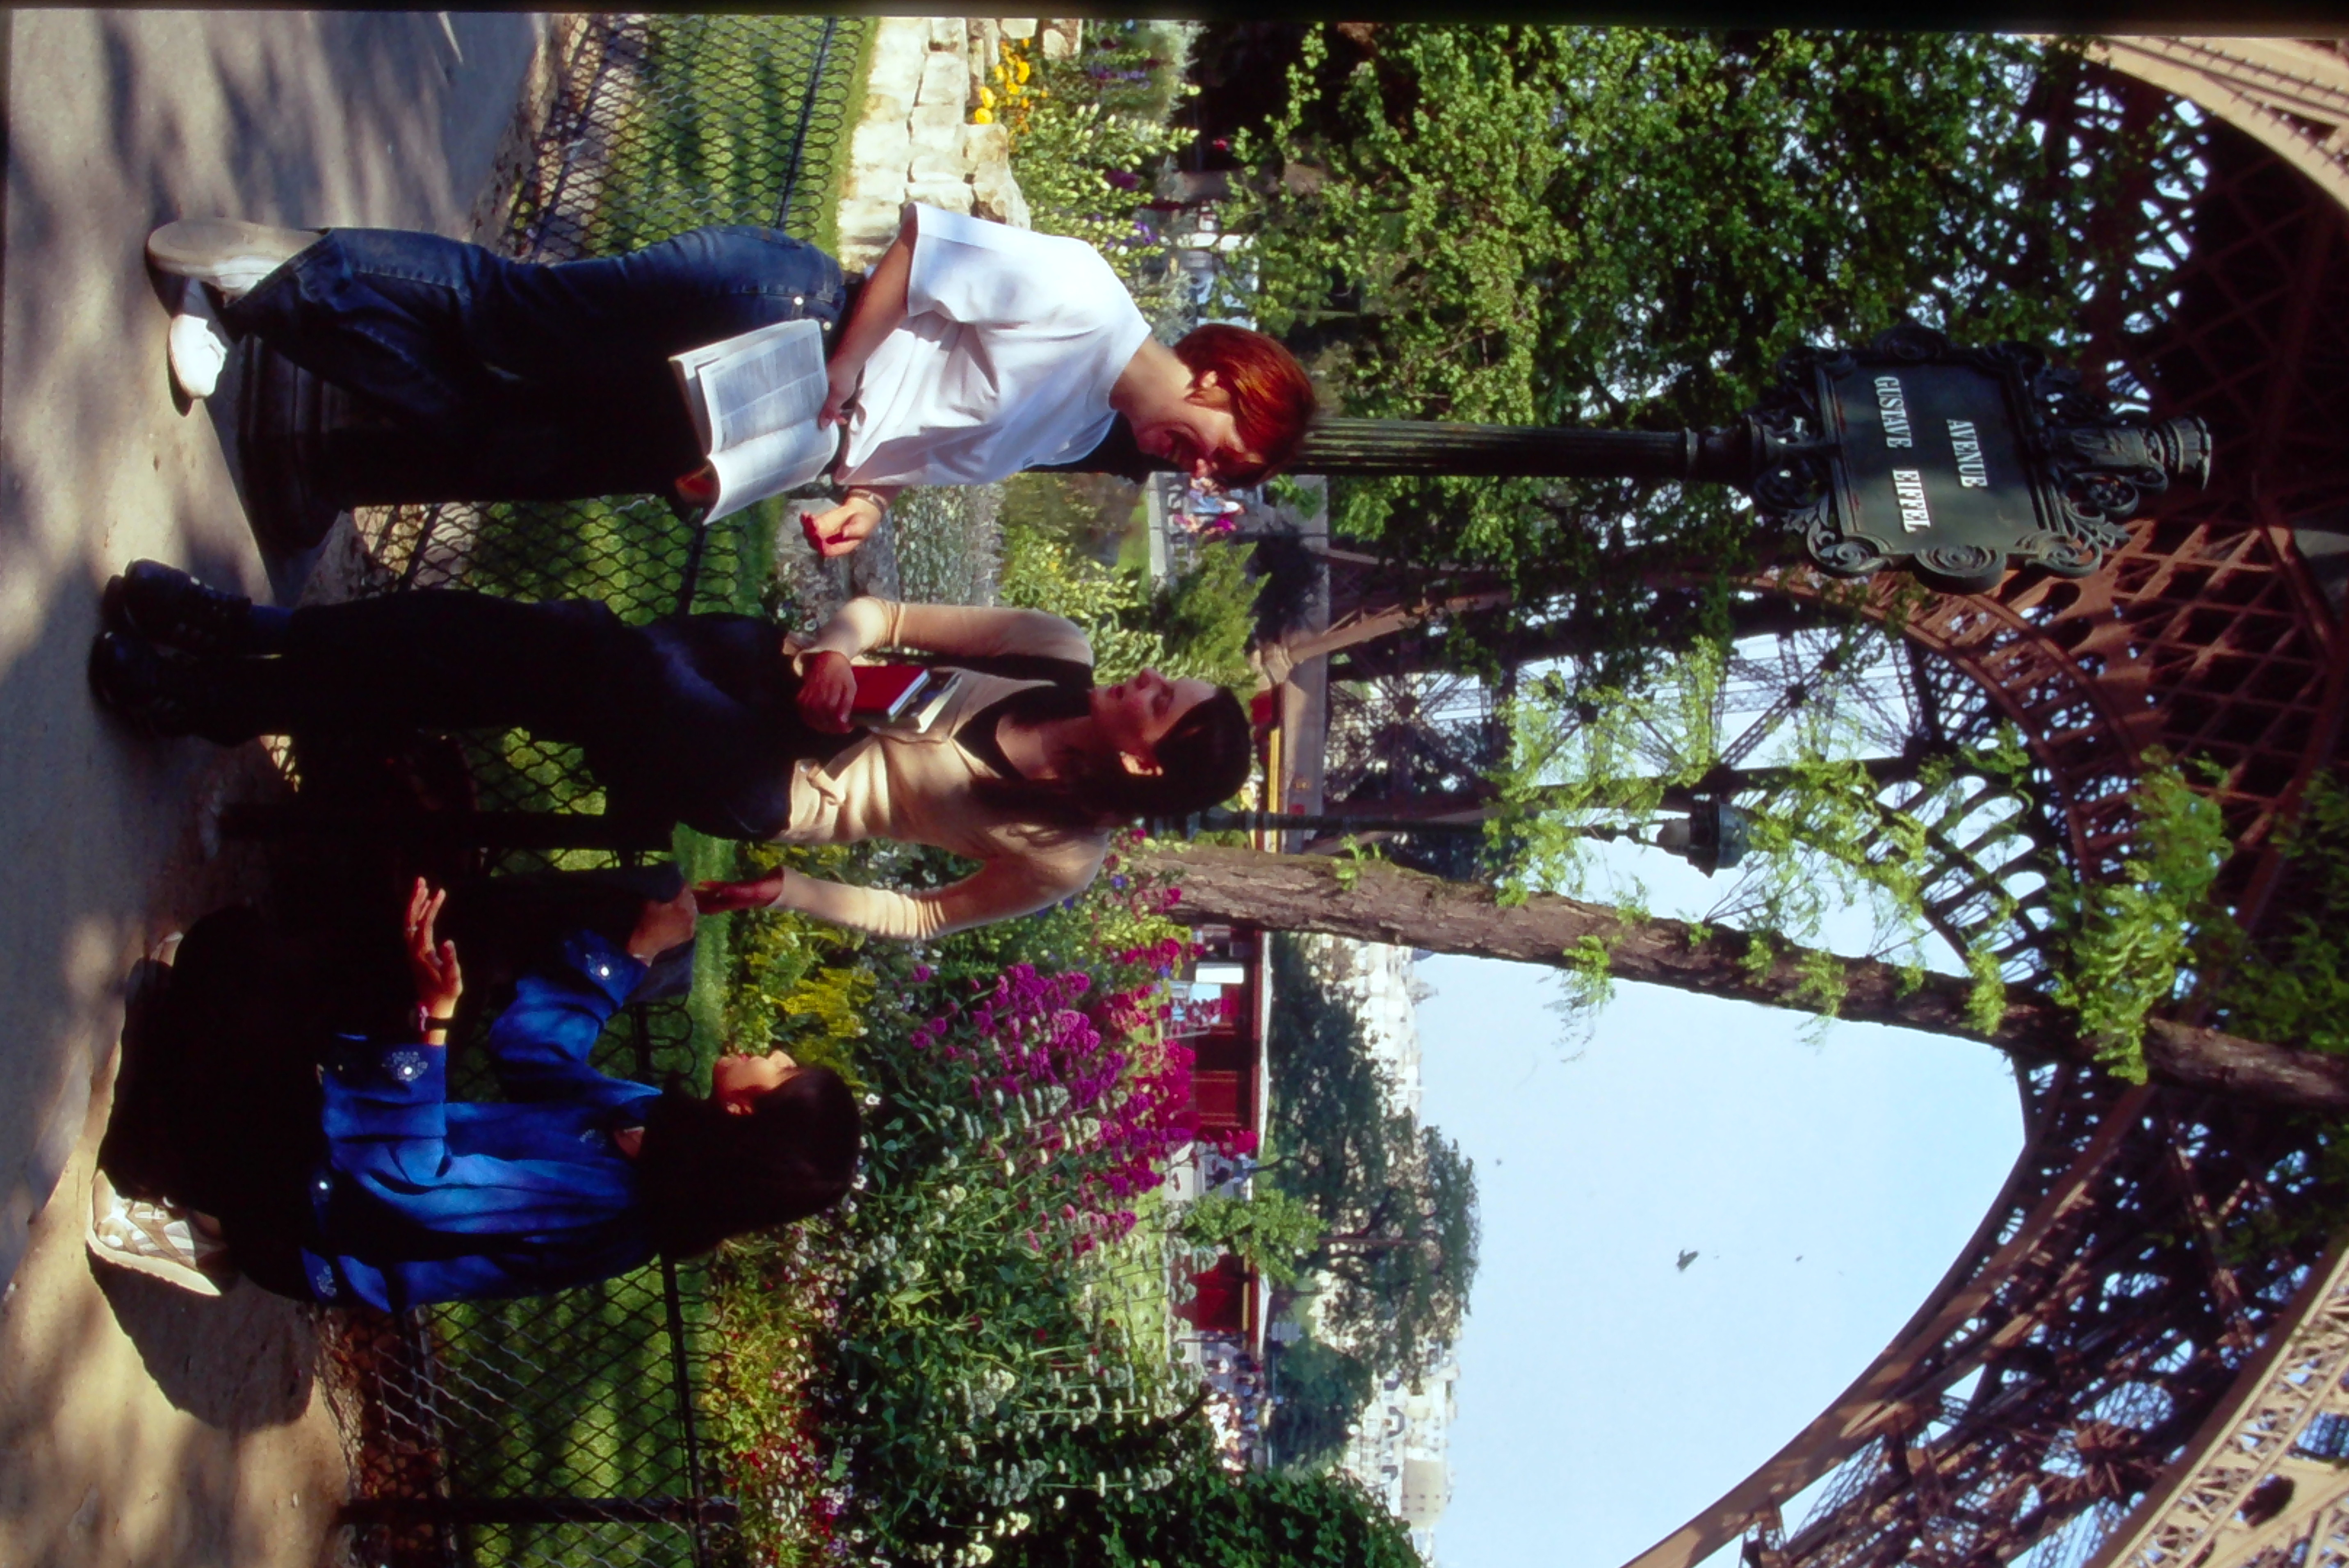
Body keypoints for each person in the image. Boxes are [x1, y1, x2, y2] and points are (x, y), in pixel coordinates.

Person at [89, 572, 1255, 939]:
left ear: (1148, 770)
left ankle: (236, 663)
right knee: (512, 650)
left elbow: (927, 917)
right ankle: (243, 661)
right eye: (1169, 677)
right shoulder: (1056, 649)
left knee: (586, 658)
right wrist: (838, 649)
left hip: (776, 780)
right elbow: (887, 614)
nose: (1148, 680)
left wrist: (795, 889)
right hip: (767, 678)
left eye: (1164, 702)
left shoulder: (1061, 854)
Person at [145, 206, 1318, 555]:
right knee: (517, 320)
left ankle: (276, 295)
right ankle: (271, 278)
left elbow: (923, 428)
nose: (1197, 471)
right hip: (773, 319)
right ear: (1222, 381)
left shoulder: (1076, 430)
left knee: (506, 435)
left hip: (773, 414)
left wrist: (870, 499)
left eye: (1215, 479)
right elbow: (923, 252)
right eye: (1220, 451)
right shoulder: (1088, 299)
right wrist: (840, 375)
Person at [91, 878, 861, 1307]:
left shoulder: (606, 1205)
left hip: (323, 1219)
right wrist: (632, 956)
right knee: (230, 952)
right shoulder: (650, 1123)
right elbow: (534, 1052)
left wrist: (432, 1025)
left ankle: (201, 1218)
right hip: (350, 1162)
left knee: (231, 1002)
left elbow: (412, 1185)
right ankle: (204, 1116)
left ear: (747, 1113)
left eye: (785, 1072)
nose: (778, 1053)